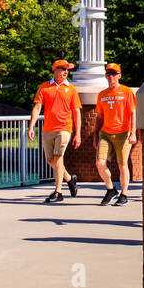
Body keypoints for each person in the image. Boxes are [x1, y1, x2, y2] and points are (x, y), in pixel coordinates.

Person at [28, 59, 81, 203]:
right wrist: (31, 126)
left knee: (58, 158)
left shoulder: (71, 89)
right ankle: (70, 179)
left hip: (64, 128)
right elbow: (37, 108)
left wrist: (78, 133)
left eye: (67, 69)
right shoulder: (44, 87)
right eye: (63, 69)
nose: (66, 72)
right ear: (55, 70)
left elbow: (76, 112)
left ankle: (58, 192)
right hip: (47, 129)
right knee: (50, 160)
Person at [95, 63, 137, 206]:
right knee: (100, 163)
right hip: (105, 133)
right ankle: (111, 189)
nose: (111, 76)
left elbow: (133, 113)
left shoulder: (126, 91)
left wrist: (133, 133)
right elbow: (99, 117)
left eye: (114, 73)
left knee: (122, 164)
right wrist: (95, 135)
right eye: (108, 74)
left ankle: (124, 194)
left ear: (119, 75)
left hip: (123, 133)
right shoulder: (102, 94)